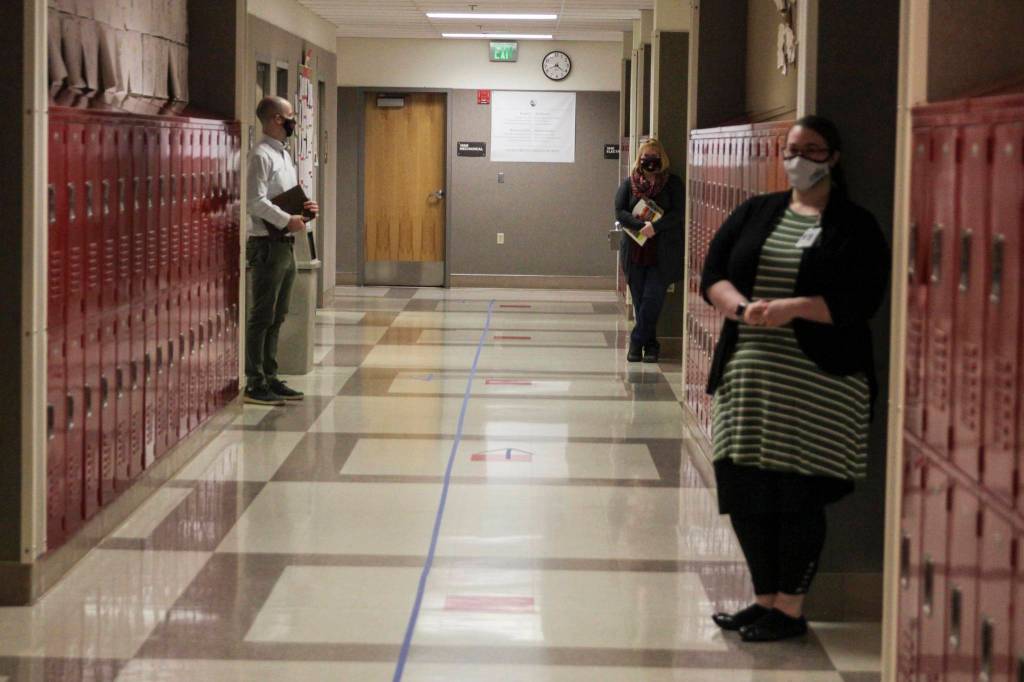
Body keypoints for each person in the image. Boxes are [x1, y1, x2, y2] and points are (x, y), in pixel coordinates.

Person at [700, 116, 889, 642]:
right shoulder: (755, 212)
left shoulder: (854, 226)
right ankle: (763, 600)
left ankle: (790, 609)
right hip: (748, 378)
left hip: (820, 384)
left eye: (811, 149)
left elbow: (862, 300)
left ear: (834, 157)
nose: (798, 159)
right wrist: (739, 308)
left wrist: (796, 308)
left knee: (796, 495)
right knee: (744, 490)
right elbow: (712, 273)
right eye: (791, 149)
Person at [244, 96, 318, 406]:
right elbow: (255, 201)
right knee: (262, 315)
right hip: (267, 244)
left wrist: (304, 210)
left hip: (286, 244)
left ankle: (271, 375)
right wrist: (287, 219)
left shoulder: (283, 156)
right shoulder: (261, 155)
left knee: (278, 314)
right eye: (290, 116)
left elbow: (281, 196)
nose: (293, 122)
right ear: (276, 119)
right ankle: (255, 379)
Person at [614, 139, 684, 363]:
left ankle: (636, 342)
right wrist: (639, 226)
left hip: (662, 252)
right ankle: (651, 346)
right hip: (635, 252)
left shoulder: (672, 183)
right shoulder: (629, 183)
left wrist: (655, 227)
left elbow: (678, 213)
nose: (650, 161)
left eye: (654, 156)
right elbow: (620, 212)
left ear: (661, 158)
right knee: (640, 301)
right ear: (640, 159)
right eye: (646, 157)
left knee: (652, 298)